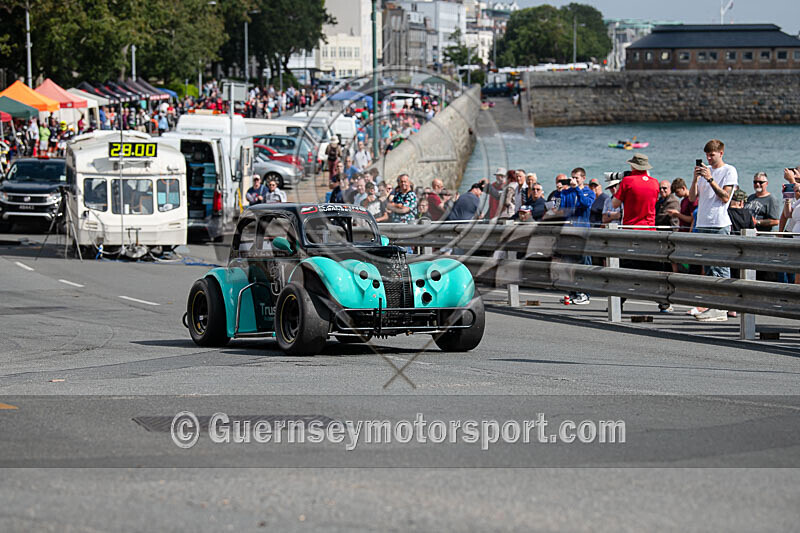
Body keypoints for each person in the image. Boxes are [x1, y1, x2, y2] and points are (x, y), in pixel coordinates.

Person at [687, 139, 738, 322]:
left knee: (720, 265)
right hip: (702, 223)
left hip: (718, 223)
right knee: (708, 267)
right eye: (707, 155)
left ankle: (723, 307)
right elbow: (692, 197)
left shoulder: (728, 170)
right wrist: (695, 178)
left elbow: (725, 197)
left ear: (721, 153)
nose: (708, 158)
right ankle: (714, 305)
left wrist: (710, 179)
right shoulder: (704, 172)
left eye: (712, 155)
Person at [554, 167, 595, 305]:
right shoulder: (567, 192)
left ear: (583, 178)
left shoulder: (589, 192)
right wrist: (559, 193)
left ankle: (585, 293)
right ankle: (573, 292)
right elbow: (562, 210)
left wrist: (576, 188)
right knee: (568, 263)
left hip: (583, 231)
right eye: (572, 177)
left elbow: (585, 204)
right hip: (568, 231)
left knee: (584, 263)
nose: (574, 180)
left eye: (577, 178)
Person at [612, 154, 659, 228]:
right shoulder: (655, 182)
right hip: (650, 228)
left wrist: (617, 189)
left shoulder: (627, 181)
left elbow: (615, 204)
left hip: (631, 228)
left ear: (633, 166)